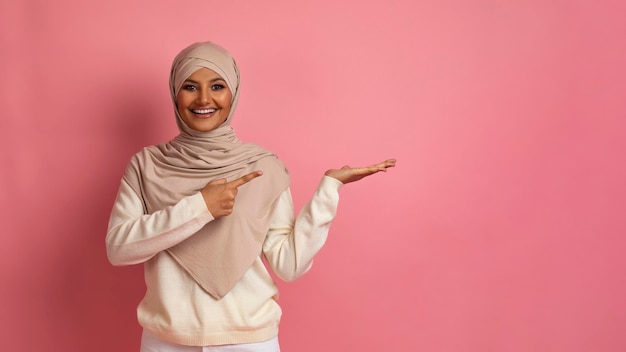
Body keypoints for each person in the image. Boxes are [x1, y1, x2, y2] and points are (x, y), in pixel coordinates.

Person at [106, 41, 396, 352]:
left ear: (233, 92)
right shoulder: (146, 165)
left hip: (249, 342)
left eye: (217, 86)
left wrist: (327, 192)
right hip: (166, 343)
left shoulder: (263, 168)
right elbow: (119, 248)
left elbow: (290, 264)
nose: (204, 98)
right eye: (190, 86)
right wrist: (200, 207)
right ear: (175, 93)